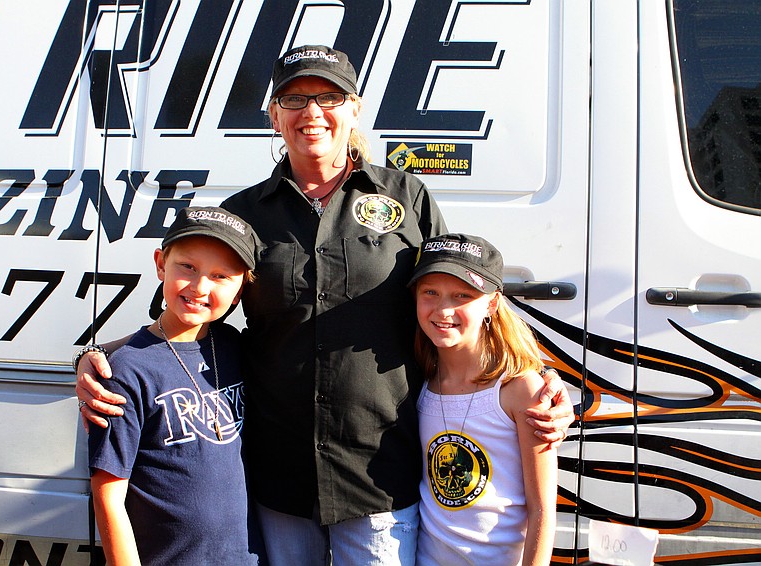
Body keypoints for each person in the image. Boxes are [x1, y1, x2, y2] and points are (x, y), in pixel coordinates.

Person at [75, 45, 572, 565]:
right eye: (294, 99)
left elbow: (454, 305)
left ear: (354, 109)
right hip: (280, 478)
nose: (312, 112)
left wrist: (534, 379)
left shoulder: (407, 196)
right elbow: (197, 314)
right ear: (274, 116)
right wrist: (96, 356)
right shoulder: (241, 214)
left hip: (379, 475)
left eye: (329, 97)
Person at [87, 206, 263, 565]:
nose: (200, 287)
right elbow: (108, 494)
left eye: (220, 276)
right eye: (188, 267)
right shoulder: (127, 370)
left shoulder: (235, 348)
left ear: (241, 289)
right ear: (160, 264)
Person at [409, 233, 557, 565]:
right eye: (430, 292)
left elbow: (543, 508)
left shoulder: (520, 390)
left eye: (462, 295)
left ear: (491, 303)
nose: (444, 309)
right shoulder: (417, 381)